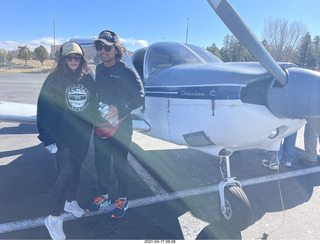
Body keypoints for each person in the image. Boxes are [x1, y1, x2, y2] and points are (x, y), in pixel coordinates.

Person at [37, 42, 96, 240]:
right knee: (66, 172)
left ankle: (70, 201)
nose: (73, 60)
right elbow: (43, 109)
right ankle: (54, 217)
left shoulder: (88, 79)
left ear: (82, 59)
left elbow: (93, 105)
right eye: (69, 57)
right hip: (61, 137)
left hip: (82, 136)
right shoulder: (53, 79)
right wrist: (47, 138)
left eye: (77, 57)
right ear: (62, 59)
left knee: (77, 170)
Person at [86, 30, 144, 219]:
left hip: (122, 126)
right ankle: (104, 197)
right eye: (99, 47)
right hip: (101, 123)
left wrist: (121, 109)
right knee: (100, 162)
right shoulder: (100, 69)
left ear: (116, 49)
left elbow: (140, 97)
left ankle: (123, 199)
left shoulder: (126, 71)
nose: (102, 51)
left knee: (120, 163)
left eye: (107, 47)